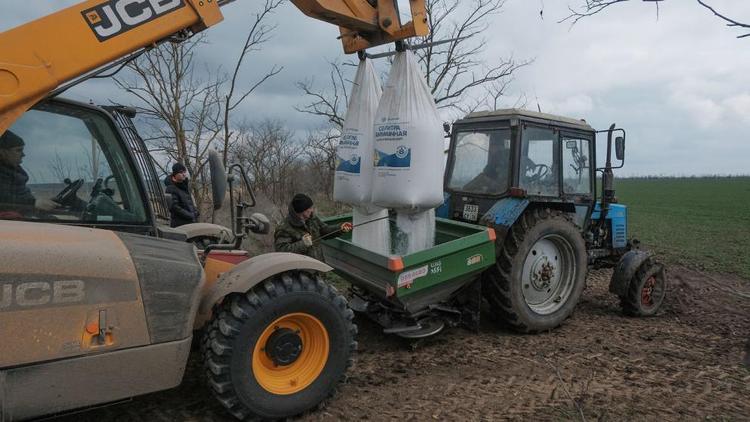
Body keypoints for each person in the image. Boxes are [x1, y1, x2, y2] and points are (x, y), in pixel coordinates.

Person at [274, 193, 352, 261]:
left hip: (317, 266)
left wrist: (340, 228)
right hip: (299, 274)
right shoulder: (284, 228)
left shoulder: (312, 218)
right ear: (302, 210)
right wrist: (303, 244)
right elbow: (281, 251)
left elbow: (324, 230)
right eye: (309, 208)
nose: (312, 210)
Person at [0, 130, 58, 216]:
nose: (23, 154)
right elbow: (4, 199)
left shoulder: (13, 171)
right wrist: (33, 203)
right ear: (2, 151)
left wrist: (41, 203)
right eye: (18, 150)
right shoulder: (3, 174)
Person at [164, 162, 198, 227]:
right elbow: (175, 207)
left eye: (184, 172)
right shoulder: (171, 188)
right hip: (180, 225)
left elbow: (189, 203)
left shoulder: (184, 187)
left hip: (190, 222)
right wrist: (190, 215)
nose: (184, 174)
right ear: (175, 174)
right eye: (181, 172)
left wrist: (196, 211)